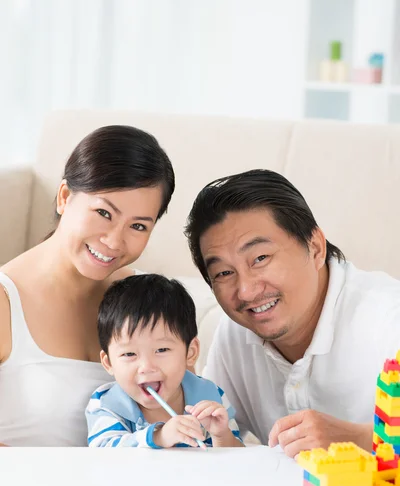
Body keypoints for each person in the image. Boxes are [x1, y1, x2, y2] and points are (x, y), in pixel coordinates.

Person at [184, 169, 400, 458]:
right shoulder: (236, 332)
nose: (246, 291)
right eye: (223, 273)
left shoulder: (388, 318)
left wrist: (358, 439)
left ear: (315, 247)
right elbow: (216, 439)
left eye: (260, 258)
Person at [0, 124, 175, 446]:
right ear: (65, 197)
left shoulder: (145, 299)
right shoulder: (5, 301)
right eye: (103, 213)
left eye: (137, 225)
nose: (114, 241)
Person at [86, 274, 242, 448]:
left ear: (190, 352)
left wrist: (221, 435)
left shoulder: (210, 395)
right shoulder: (107, 404)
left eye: (161, 350)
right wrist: (159, 437)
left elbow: (237, 460)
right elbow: (102, 455)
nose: (146, 367)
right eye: (129, 354)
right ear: (108, 363)